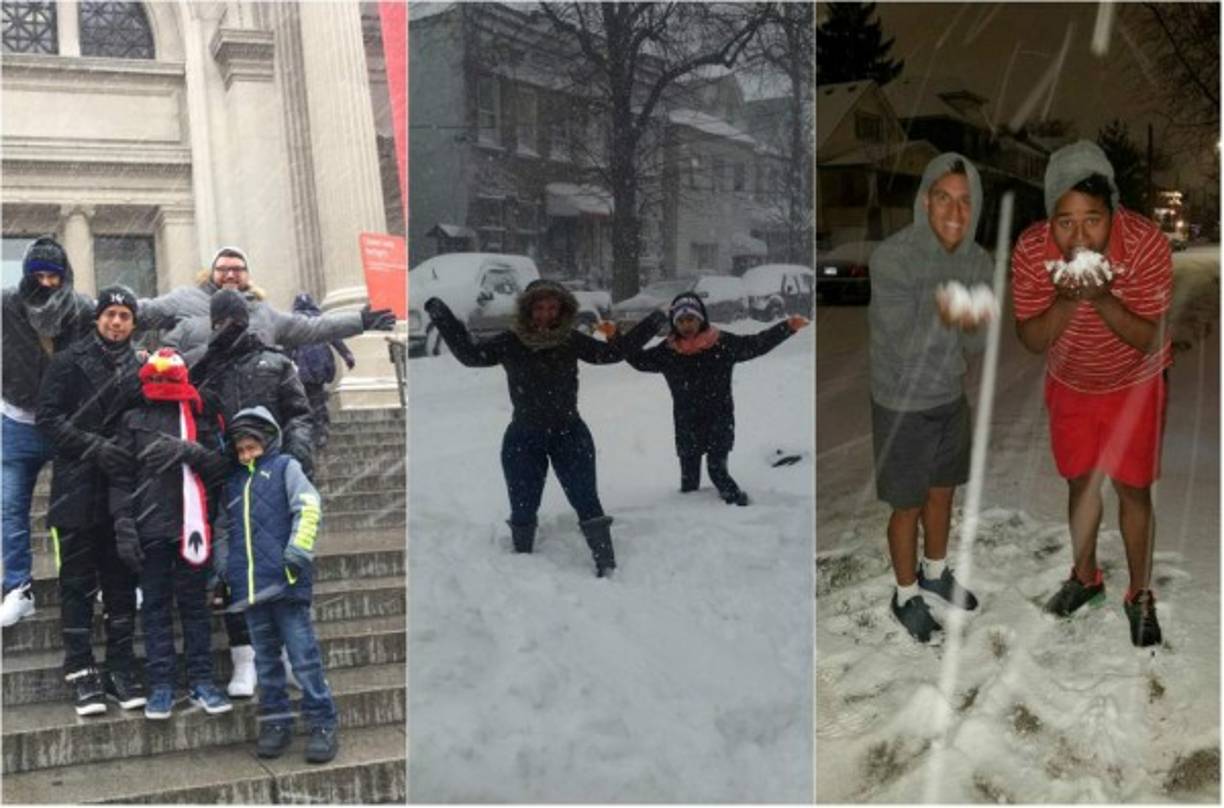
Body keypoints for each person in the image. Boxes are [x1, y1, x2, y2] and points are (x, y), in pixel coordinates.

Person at [1011, 140, 1172, 648]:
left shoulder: (1145, 243)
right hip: (1071, 384)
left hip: (1135, 384)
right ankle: (1085, 579)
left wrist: (1101, 297)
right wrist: (1064, 299)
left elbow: (1153, 338)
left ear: (1113, 211)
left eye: (1093, 220)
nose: (1079, 237)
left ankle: (1140, 595)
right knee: (1081, 486)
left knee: (1132, 490)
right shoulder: (1033, 250)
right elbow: (1032, 338)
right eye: (1066, 222)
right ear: (1049, 219)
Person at [423, 280, 667, 577]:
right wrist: (442, 316)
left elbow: (610, 354)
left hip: (570, 434)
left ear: (562, 309)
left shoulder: (569, 340)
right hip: (524, 438)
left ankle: (606, 564)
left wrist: (654, 323)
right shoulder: (510, 341)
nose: (546, 315)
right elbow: (471, 356)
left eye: (552, 308)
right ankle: (522, 564)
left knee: (586, 499)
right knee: (523, 507)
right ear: (528, 309)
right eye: (539, 308)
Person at [868, 153, 991, 644]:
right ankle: (904, 594)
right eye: (944, 198)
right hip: (902, 403)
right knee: (907, 505)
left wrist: (964, 313)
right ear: (925, 202)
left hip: (949, 396)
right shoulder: (892, 258)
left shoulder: (978, 260)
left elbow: (977, 341)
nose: (955, 212)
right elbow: (902, 340)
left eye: (965, 201)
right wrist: (954, 306)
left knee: (944, 492)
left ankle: (934, 571)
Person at [190, 289, 315, 696]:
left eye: (235, 319)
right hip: (229, 478)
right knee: (233, 570)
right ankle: (245, 657)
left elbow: (298, 413)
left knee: (284, 563)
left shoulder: (276, 362)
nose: (229, 327)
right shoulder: (206, 369)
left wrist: (295, 460)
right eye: (222, 321)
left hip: (274, 472)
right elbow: (197, 420)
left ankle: (287, 654)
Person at [36, 286, 145, 715]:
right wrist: (93, 445)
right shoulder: (68, 361)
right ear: (97, 318)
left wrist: (127, 447)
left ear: (133, 323)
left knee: (120, 582)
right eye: (110, 314)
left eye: (124, 315)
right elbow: (48, 419)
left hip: (121, 492)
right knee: (77, 584)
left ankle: (120, 665)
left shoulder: (140, 368)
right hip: (77, 487)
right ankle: (80, 669)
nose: (116, 322)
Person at [110, 348, 233, 719]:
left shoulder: (197, 416)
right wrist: (124, 525)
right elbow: (120, 476)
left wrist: (191, 451)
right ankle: (161, 684)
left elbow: (219, 469)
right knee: (156, 608)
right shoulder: (131, 419)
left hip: (191, 528)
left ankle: (201, 680)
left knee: (195, 608)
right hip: (151, 529)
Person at [223, 406, 338, 763]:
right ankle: (276, 722)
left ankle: (323, 722)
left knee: (303, 658)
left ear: (267, 441)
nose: (246, 455)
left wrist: (298, 551)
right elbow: (224, 532)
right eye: (241, 450)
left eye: (252, 448)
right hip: (251, 590)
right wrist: (224, 572)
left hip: (286, 583)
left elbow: (308, 506)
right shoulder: (234, 483)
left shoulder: (286, 467)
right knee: (267, 663)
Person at [624, 292, 809, 505]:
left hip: (719, 419)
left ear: (701, 319)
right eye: (681, 321)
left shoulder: (720, 343)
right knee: (689, 481)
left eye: (691, 319)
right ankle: (688, 522)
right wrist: (650, 323)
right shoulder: (668, 351)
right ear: (674, 323)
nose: (686, 325)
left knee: (717, 472)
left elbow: (755, 344)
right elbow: (636, 359)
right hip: (687, 422)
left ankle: (742, 509)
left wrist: (787, 328)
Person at [2, 237, 96, 628]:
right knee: (10, 507)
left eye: (52, 276)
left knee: (76, 509)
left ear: (64, 277)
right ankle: (18, 586)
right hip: (17, 420)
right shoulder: (7, 305)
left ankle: (85, 578)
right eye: (37, 275)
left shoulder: (81, 310)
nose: (44, 282)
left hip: (65, 423)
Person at [139, 246, 395, 364]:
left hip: (249, 419)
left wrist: (360, 321)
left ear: (247, 275)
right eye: (223, 269)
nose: (230, 275)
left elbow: (313, 328)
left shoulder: (263, 312)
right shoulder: (184, 299)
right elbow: (142, 312)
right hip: (199, 410)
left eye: (237, 270)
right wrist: (99, 310)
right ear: (210, 273)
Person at [290, 292, 356, 451]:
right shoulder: (321, 320)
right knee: (317, 399)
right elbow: (336, 339)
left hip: (304, 366)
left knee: (306, 399)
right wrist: (347, 355)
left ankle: (313, 430)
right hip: (319, 365)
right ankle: (321, 429)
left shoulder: (294, 323)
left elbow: (288, 345)